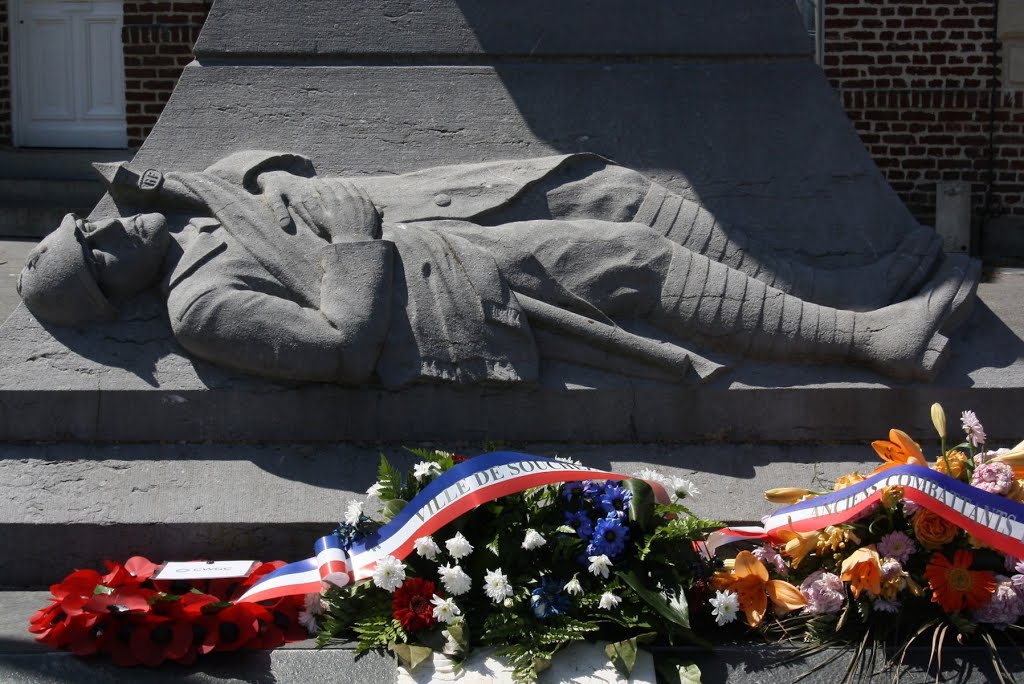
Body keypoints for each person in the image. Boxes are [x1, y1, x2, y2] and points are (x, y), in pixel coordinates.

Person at [17, 151, 977, 386]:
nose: (109, 232)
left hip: (434, 205)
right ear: (118, 297)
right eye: (98, 256)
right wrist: (353, 244)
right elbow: (341, 347)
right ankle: (866, 339)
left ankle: (833, 289)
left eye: (92, 225)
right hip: (428, 285)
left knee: (622, 192)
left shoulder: (197, 203)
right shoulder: (198, 308)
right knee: (628, 258)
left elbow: (244, 175)